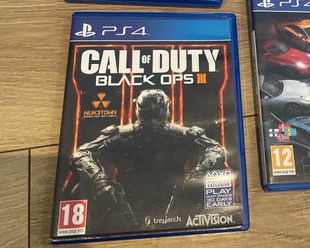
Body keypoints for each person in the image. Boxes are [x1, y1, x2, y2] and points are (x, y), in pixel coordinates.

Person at [70, 89, 227, 233]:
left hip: (175, 203)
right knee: (82, 187)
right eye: (149, 116)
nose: (153, 123)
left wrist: (200, 172)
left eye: (156, 115)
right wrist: (98, 178)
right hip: (127, 203)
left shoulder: (181, 134)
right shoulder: (121, 135)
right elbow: (80, 154)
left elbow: (217, 150)